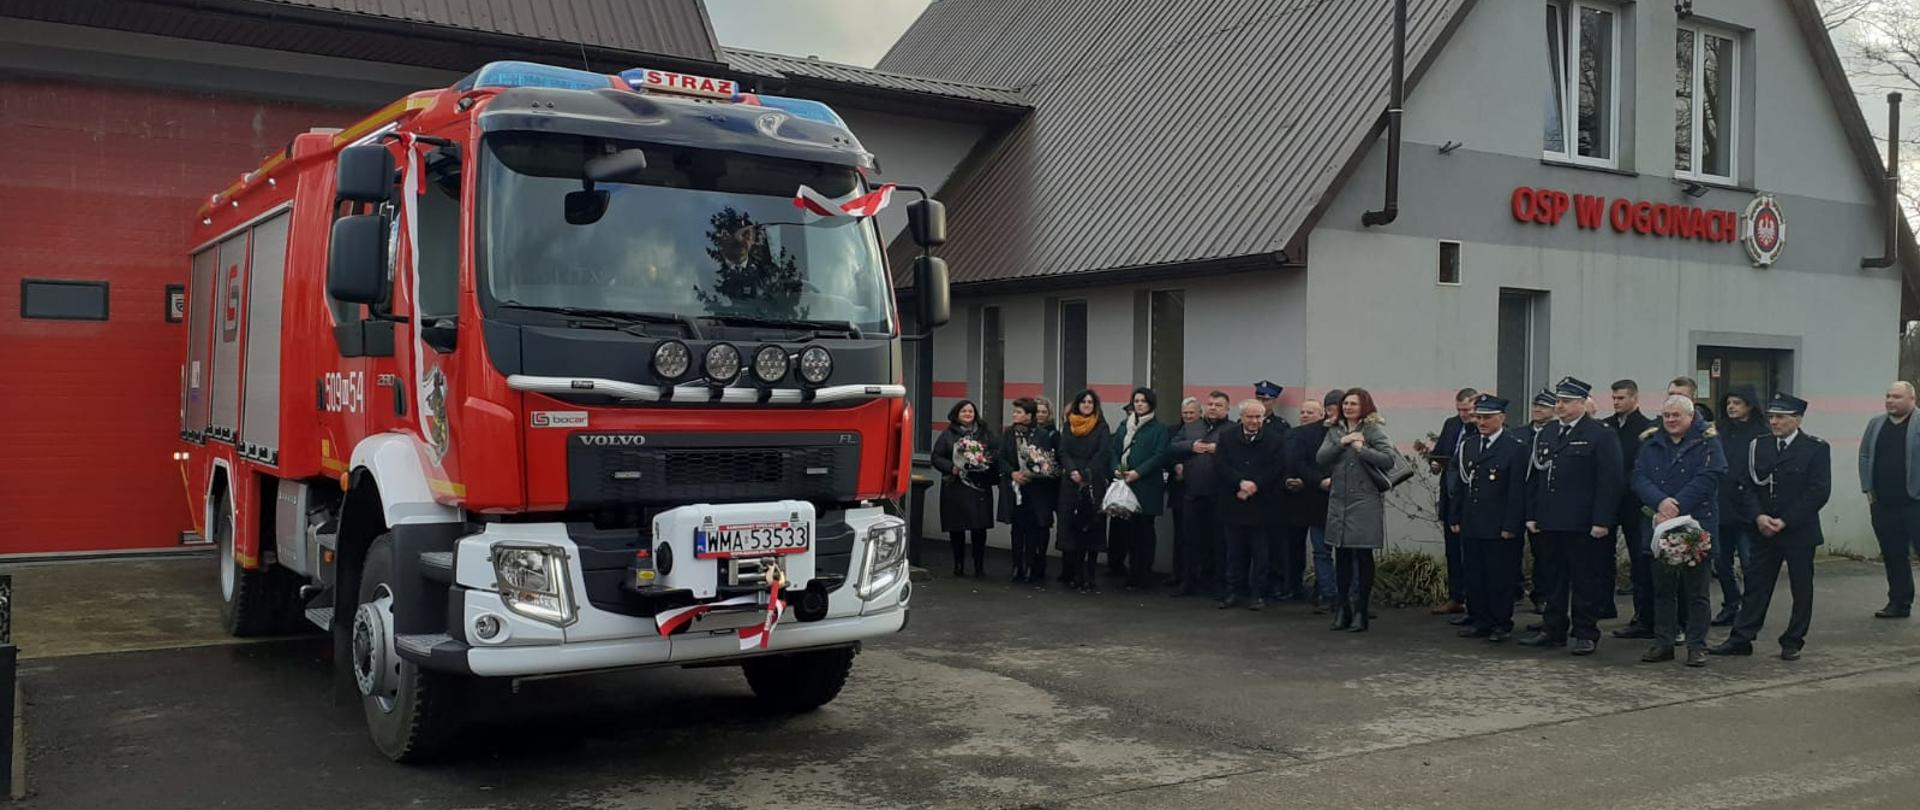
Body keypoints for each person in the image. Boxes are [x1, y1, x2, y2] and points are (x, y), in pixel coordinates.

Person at [1712, 393, 1830, 660]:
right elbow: (1747, 485)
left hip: (1798, 529)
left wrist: (1786, 520)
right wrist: (1758, 516)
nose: (1774, 422)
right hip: (1764, 527)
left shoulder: (1815, 448)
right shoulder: (1759, 445)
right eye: (1772, 417)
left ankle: (1793, 640)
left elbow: (1818, 492)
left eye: (1781, 417)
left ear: (1797, 420)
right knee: (1756, 585)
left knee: (1801, 588)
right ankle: (1742, 638)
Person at [1521, 377, 1624, 656]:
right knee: (1552, 578)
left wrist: (1602, 520)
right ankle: (1553, 629)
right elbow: (1535, 477)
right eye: (1558, 401)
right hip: (1550, 520)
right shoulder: (1547, 432)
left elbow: (1610, 480)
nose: (1560, 406)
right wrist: (1532, 513)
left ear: (1582, 403)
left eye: (1566, 401)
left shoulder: (1599, 434)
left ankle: (1584, 632)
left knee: (1584, 580)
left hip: (1582, 522)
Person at [1631, 395, 1727, 667]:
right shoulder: (1650, 442)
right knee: (1662, 590)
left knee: (1696, 592)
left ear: (1691, 416)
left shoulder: (1708, 442)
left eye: (1676, 415)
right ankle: (1664, 642)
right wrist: (1661, 502)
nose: (1671, 420)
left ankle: (1697, 646)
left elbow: (1710, 477)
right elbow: (1638, 477)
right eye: (1667, 415)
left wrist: (1677, 505)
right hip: (1659, 524)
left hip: (1696, 525)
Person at [1448, 395, 1529, 642]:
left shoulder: (1515, 448)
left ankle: (1500, 623)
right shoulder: (1469, 445)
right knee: (1474, 575)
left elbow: (1517, 492)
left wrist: (1511, 525)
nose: (1482, 422)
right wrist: (1455, 516)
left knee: (1499, 577)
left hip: (1499, 524)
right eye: (1479, 417)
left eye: (1487, 418)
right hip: (1473, 521)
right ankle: (1480, 620)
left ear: (1501, 418)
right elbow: (1461, 485)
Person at [1320, 388, 1397, 632]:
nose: (1348, 407)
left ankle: (1361, 610)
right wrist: (1342, 442)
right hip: (1339, 500)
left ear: (1364, 405)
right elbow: (1321, 458)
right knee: (1341, 554)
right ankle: (1343, 608)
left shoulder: (1372, 429)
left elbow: (1388, 459)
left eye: (1353, 404)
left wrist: (1362, 449)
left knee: (1363, 555)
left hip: (1364, 500)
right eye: (1346, 403)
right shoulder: (1335, 430)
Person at [1218, 399, 1287, 610]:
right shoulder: (1227, 437)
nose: (1254, 421)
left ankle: (1258, 594)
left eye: (1258, 417)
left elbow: (1277, 468)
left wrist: (1255, 484)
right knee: (1234, 552)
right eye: (1250, 417)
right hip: (1234, 503)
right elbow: (1221, 465)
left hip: (1262, 505)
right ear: (1241, 417)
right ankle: (1232, 592)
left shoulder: (1275, 440)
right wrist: (1240, 482)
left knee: (1261, 554)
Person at [1863, 381, 1920, 618]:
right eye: (1888, 396)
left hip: (1915, 503)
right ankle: (1899, 602)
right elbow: (1865, 454)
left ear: (1912, 399)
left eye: (1896, 396)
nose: (1890, 401)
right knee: (1893, 554)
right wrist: (1868, 489)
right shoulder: (1876, 424)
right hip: (1884, 504)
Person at [1606, 380, 1657, 641]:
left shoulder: (1646, 429)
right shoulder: (1606, 426)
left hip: (1634, 504)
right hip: (1607, 502)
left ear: (1635, 399)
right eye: (1614, 398)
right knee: (1602, 559)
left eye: (1621, 398)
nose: (1616, 402)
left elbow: (1641, 468)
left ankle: (1643, 616)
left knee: (1640, 563)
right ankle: (1603, 606)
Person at [1170, 391, 1233, 597]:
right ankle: (1188, 582)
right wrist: (1191, 446)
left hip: (1219, 495)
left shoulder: (1232, 429)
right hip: (1193, 492)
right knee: (1190, 540)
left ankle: (1218, 584)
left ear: (1227, 408)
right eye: (1211, 404)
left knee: (1218, 542)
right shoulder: (1193, 426)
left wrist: (1219, 448)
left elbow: (1239, 453)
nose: (1213, 408)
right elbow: (1172, 446)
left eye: (1218, 405)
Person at [1713, 386, 1766, 625]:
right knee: (1721, 562)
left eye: (1736, 403)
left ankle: (1751, 609)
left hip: (1747, 510)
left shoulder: (1761, 434)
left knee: (1749, 563)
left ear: (1749, 406)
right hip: (1721, 506)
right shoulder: (1720, 431)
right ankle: (1731, 604)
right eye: (1728, 403)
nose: (1731, 407)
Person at [931, 399, 998, 578]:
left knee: (979, 528)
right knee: (957, 528)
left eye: (970, 411)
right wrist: (951, 467)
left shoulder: (984, 434)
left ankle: (979, 566)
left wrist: (984, 461)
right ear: (956, 414)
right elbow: (936, 457)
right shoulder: (947, 434)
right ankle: (958, 564)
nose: (968, 414)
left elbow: (995, 452)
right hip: (956, 487)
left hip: (978, 486)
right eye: (964, 411)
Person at [1112, 387, 1170, 590]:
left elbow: (1160, 455)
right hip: (1125, 485)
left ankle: (1143, 574)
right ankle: (1130, 573)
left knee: (1144, 532)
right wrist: (1116, 469)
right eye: (1136, 401)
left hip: (1146, 486)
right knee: (1128, 531)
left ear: (1151, 404)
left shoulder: (1159, 429)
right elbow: (1114, 450)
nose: (1139, 404)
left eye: (1143, 401)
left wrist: (1139, 472)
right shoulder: (1124, 426)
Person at [1429, 388, 1480, 619]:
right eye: (1459, 410)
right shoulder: (1451, 425)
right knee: (1452, 550)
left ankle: (1474, 600)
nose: (1463, 415)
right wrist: (1435, 463)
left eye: (1467, 410)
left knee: (1470, 553)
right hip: (1450, 494)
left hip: (1472, 497)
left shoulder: (1480, 427)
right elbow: (1440, 451)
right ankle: (1456, 597)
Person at [1055, 389, 1113, 593]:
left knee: (1092, 527)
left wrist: (1087, 473)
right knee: (1073, 527)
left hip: (1093, 481)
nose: (1087, 405)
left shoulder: (1101, 426)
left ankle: (1090, 575)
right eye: (1083, 402)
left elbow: (1103, 452)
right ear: (1077, 404)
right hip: (1070, 482)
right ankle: (1076, 573)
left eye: (1090, 402)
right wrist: (1072, 471)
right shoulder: (1069, 425)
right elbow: (1063, 451)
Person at [1282, 397, 1336, 610]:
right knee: (1305, 548)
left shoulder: (1335, 433)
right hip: (1300, 500)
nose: (1304, 415)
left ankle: (1327, 591)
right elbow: (1290, 462)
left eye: (1310, 412)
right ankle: (1310, 590)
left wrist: (1318, 480)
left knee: (1328, 550)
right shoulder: (1294, 434)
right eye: (1302, 412)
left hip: (1325, 497)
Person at [998, 398, 1059, 586]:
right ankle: (1017, 566)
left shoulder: (1041, 434)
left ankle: (1031, 566)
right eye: (1015, 411)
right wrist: (1012, 473)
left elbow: (1047, 460)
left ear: (1029, 415)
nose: (1014, 415)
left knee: (1033, 529)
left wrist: (1035, 471)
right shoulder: (1009, 433)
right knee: (1016, 529)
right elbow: (1000, 457)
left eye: (1018, 412)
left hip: (1035, 489)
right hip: (1015, 487)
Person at [1254, 380, 1293, 598]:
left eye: (1266, 399)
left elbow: (1284, 459)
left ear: (1274, 401)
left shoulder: (1280, 427)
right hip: (1250, 491)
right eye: (1259, 398)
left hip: (1273, 491)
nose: (1262, 402)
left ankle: (1277, 581)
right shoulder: (1243, 424)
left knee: (1275, 540)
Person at [1524, 388, 1558, 615]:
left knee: (1544, 555)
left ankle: (1543, 596)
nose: (1537, 409)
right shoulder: (1518, 433)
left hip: (1542, 503)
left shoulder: (1555, 434)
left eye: (1543, 406)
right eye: (1535, 405)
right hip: (1518, 499)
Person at [1164, 397, 1200, 590]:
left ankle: (1194, 576)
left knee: (1195, 537)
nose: (1188, 416)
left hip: (1199, 491)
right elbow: (1166, 454)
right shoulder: (1173, 431)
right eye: (1185, 413)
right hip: (1178, 490)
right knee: (1179, 536)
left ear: (1199, 413)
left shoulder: (1204, 431)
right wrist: (1175, 465)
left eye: (1191, 413)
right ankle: (1177, 573)